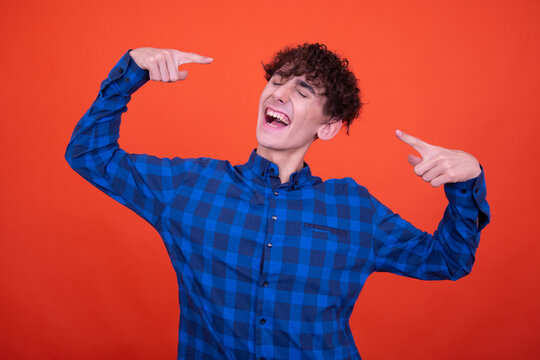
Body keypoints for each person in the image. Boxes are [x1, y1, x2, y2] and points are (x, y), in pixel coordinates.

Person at [65, 44, 490, 360]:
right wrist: (131, 70)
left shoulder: (354, 210)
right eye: (276, 81)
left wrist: (467, 182)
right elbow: (89, 154)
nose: (279, 94)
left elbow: (448, 260)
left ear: (327, 128)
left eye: (303, 91)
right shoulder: (189, 187)